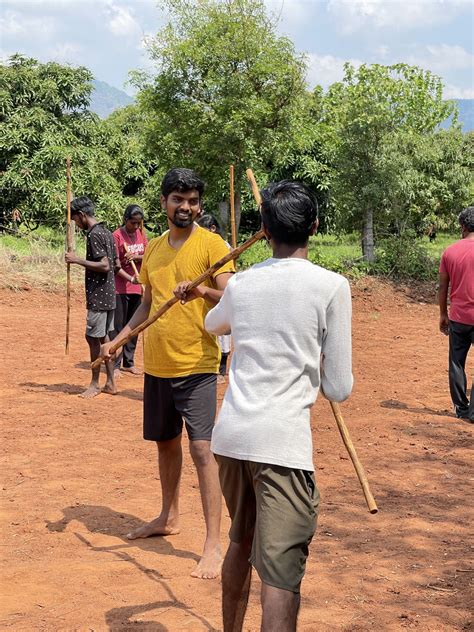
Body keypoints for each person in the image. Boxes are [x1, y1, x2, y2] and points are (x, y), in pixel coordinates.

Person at [205, 180, 353, 632]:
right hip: (282, 444)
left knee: (239, 540)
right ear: (315, 226)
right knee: (280, 572)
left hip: (230, 437)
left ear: (264, 229)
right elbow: (338, 387)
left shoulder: (243, 283)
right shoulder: (331, 286)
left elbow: (214, 324)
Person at [100, 168, 235, 579]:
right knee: (165, 443)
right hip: (157, 364)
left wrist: (201, 291)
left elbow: (233, 298)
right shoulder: (155, 248)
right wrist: (121, 338)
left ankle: (213, 543)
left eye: (193, 200)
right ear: (164, 202)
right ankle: (168, 516)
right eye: (178, 199)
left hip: (196, 363)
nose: (186, 207)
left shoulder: (213, 245)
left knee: (202, 450)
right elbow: (146, 304)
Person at [65, 196, 118, 399]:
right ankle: (111, 382)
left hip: (99, 296)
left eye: (76, 220)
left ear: (82, 215)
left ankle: (95, 384)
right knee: (105, 339)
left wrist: (76, 259)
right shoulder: (107, 232)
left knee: (93, 339)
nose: (76, 225)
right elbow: (116, 263)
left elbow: (105, 265)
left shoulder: (94, 235)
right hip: (109, 294)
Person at [438, 206, 474, 422]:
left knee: (457, 363)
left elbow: (443, 287)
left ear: (463, 226)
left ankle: (461, 408)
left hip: (458, 317)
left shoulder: (450, 252)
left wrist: (443, 314)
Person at [112, 204, 148, 377]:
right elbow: (114, 265)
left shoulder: (141, 235)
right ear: (126, 220)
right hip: (120, 288)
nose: (136, 227)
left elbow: (149, 255)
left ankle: (129, 362)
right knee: (119, 327)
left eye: (138, 223)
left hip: (137, 288)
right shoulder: (117, 236)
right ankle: (116, 364)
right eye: (133, 223)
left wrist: (137, 257)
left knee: (134, 326)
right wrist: (130, 277)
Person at [197, 214, 232, 382]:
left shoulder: (221, 245)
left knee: (223, 333)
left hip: (218, 295)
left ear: (212, 229)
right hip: (205, 295)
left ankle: (222, 368)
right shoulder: (199, 244)